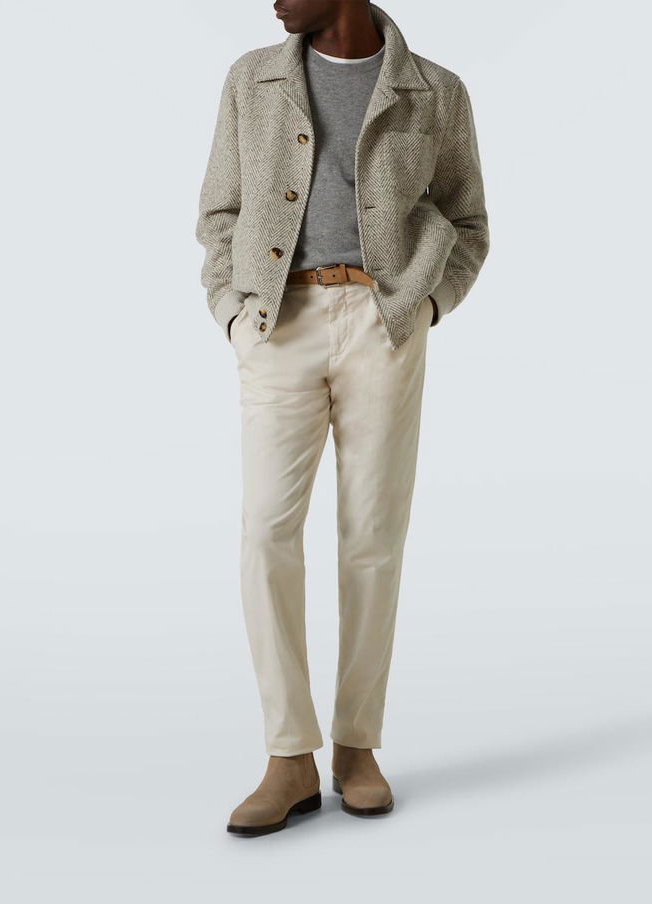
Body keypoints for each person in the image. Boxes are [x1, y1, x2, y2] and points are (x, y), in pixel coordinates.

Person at [195, 0, 490, 836]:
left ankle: (357, 747)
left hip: (384, 326)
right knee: (266, 531)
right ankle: (289, 755)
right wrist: (232, 313)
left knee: (372, 539)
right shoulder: (251, 78)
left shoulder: (434, 90)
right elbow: (219, 213)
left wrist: (427, 306)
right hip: (276, 322)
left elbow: (469, 222)